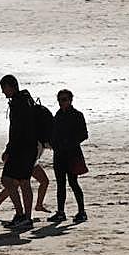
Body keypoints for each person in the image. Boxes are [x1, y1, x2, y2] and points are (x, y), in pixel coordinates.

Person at [0, 74, 38, 228]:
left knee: (8, 180)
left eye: (4, 88)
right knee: (23, 182)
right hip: (29, 147)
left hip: (22, 148)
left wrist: (9, 150)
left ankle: (22, 216)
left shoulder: (19, 103)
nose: (3, 92)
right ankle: (24, 217)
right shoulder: (25, 99)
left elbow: (17, 130)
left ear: (11, 86)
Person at [47, 89, 89, 224]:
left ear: (71, 100)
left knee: (73, 182)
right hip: (59, 154)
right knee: (60, 184)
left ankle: (82, 211)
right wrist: (53, 143)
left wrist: (69, 143)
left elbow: (84, 134)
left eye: (64, 99)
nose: (61, 102)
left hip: (72, 154)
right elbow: (53, 133)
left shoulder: (77, 115)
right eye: (59, 100)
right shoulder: (58, 115)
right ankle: (60, 212)